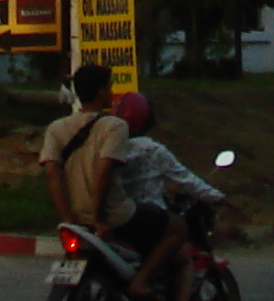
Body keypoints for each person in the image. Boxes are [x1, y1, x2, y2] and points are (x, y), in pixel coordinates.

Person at [110, 92, 222, 301]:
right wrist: (217, 196)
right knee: (184, 259)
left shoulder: (112, 145)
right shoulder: (152, 150)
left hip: (115, 216)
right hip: (147, 220)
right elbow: (185, 179)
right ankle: (145, 283)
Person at [42, 66, 143, 249]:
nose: (111, 93)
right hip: (114, 214)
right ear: (100, 92)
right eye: (109, 88)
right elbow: (104, 171)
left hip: (76, 219)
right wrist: (98, 219)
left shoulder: (55, 128)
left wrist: (68, 219)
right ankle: (143, 278)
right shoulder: (115, 126)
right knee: (176, 229)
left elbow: (52, 174)